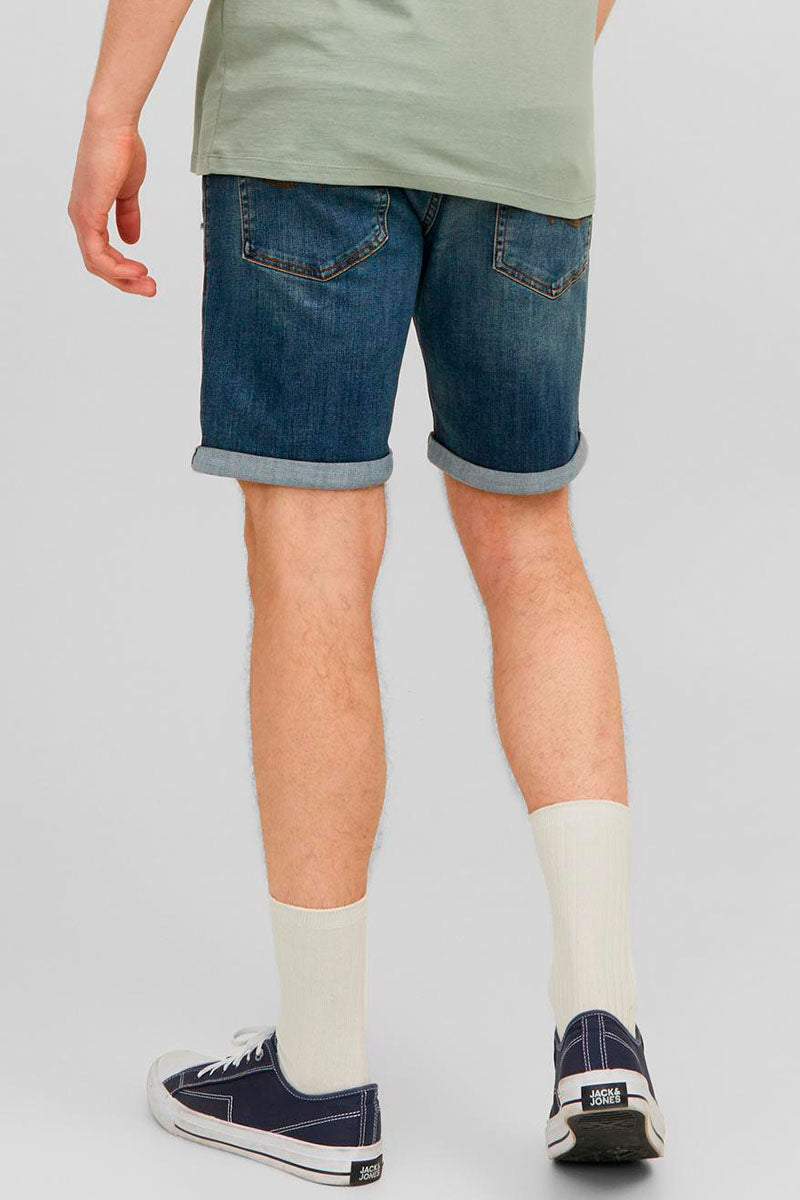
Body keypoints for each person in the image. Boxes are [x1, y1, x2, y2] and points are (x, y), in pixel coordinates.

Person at [70, 0, 665, 1182]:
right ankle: (602, 1036)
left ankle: (320, 1079)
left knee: (311, 558)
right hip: (523, 129)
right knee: (531, 548)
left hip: (316, 113)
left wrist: (108, 114)